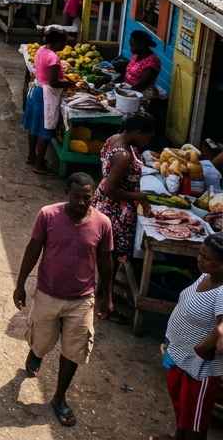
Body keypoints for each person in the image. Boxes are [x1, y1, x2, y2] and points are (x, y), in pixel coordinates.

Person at [14, 173, 113, 428]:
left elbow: (105, 261)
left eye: (87, 198)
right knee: (42, 341)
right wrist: (21, 284)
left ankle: (59, 398)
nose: (82, 203)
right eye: (77, 197)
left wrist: (106, 295)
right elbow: (33, 249)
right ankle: (36, 353)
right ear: (67, 193)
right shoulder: (48, 215)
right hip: (48, 294)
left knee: (74, 350)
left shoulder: (102, 223)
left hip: (82, 300)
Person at [161, 232, 223, 440]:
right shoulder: (206, 276)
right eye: (200, 254)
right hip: (182, 359)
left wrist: (202, 348)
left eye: (207, 258)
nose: (200, 260)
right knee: (183, 413)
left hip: (199, 370)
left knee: (195, 424)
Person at [91, 113, 157, 279]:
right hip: (115, 211)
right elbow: (110, 189)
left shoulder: (115, 138)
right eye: (147, 137)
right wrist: (139, 196)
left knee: (105, 252)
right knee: (111, 255)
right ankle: (105, 293)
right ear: (137, 132)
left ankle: (104, 288)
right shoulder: (123, 156)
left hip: (104, 203)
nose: (147, 141)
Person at [24, 27, 75, 172]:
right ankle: (39, 165)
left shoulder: (41, 50)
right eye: (64, 42)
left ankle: (31, 156)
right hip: (46, 97)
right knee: (45, 132)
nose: (66, 45)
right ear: (57, 42)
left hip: (36, 93)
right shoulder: (53, 57)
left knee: (34, 128)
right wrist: (69, 83)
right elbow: (53, 82)